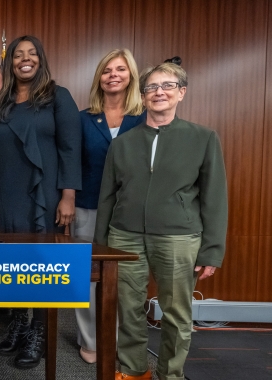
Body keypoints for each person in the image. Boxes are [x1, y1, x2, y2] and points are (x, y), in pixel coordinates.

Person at [94, 62, 228, 380]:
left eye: (167, 86)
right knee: (128, 310)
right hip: (124, 236)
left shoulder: (203, 138)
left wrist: (212, 251)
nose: (159, 93)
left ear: (181, 92)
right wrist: (100, 247)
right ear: (143, 96)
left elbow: (215, 199)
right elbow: (107, 198)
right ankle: (132, 370)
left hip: (179, 238)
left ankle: (171, 374)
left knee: (177, 314)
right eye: (152, 88)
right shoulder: (122, 143)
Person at [0, 35, 81, 369]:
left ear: (41, 59)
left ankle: (39, 330)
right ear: (10, 62)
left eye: (32, 53)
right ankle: (21, 321)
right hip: (5, 196)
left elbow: (70, 149)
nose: (25, 59)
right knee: (14, 263)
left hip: (45, 196)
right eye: (18, 55)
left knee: (41, 265)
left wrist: (68, 195)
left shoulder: (58, 97)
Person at [72, 48, 145, 365]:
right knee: (87, 275)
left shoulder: (143, 117)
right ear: (98, 78)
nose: (113, 75)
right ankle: (90, 339)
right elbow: (72, 163)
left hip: (130, 209)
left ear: (131, 75)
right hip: (88, 205)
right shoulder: (83, 118)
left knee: (126, 276)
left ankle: (118, 338)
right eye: (107, 70)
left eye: (120, 69)